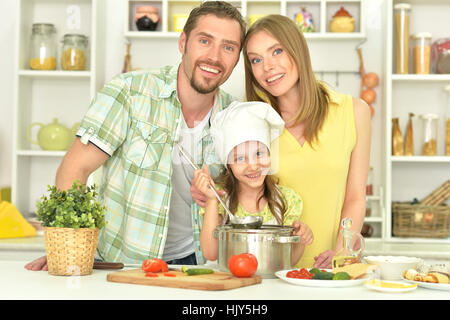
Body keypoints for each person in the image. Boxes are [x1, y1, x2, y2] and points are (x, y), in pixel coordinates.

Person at [24, 1, 246, 271]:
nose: (214, 56)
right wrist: (68, 246)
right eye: (204, 41)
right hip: (124, 263)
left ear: (237, 58)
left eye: (228, 47)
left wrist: (223, 195)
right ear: (183, 42)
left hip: (200, 265)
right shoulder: (128, 93)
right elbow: (74, 169)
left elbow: (247, 193)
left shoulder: (235, 116)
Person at [242, 15, 371, 269]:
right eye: (256, 60)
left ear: (297, 49)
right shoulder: (253, 121)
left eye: (276, 51)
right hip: (271, 268)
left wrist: (342, 251)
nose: (267, 67)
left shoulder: (354, 111)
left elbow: (355, 196)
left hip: (331, 270)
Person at [192, 101, 313, 264]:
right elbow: (211, 252)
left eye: (259, 153)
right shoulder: (219, 197)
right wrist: (212, 200)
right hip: (228, 284)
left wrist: (300, 240)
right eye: (240, 158)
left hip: (269, 285)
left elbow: (288, 260)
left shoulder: (286, 199)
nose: (254, 165)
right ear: (229, 166)